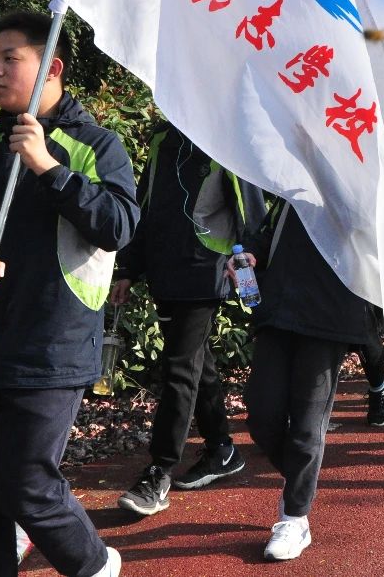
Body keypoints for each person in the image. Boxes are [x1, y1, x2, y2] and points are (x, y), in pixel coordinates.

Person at [0, 12, 138, 577]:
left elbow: (118, 225)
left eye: (10, 58)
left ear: (51, 67)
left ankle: (95, 566)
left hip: (50, 349)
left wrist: (46, 166)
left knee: (28, 487)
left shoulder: (95, 145)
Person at [112, 122, 266, 516]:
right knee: (198, 365)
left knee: (179, 367)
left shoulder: (225, 136)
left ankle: (159, 470)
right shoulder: (164, 138)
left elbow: (251, 212)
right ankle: (222, 449)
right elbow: (145, 206)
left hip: (205, 270)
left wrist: (249, 264)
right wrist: (128, 268)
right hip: (166, 271)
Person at [234, 200, 381, 560]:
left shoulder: (355, 182)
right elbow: (267, 232)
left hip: (330, 317)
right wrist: (250, 254)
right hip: (279, 310)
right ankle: (303, 478)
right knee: (260, 415)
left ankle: (294, 518)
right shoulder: (294, 183)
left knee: (306, 425)